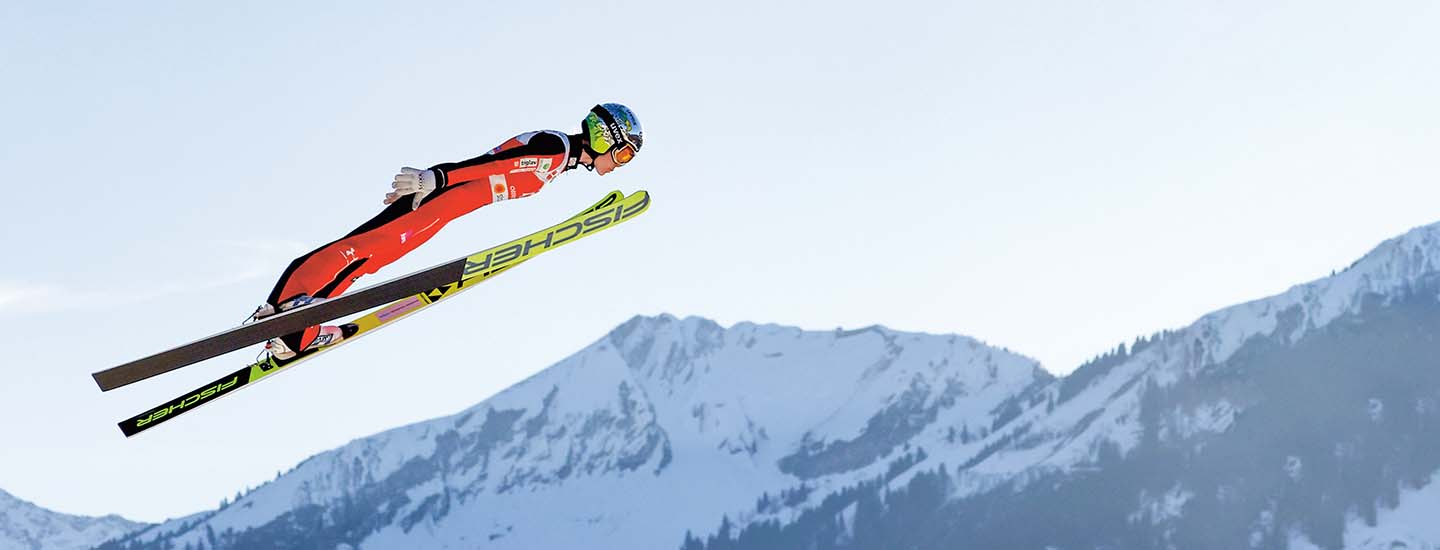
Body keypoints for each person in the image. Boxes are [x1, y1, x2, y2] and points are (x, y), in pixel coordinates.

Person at [251, 103, 644, 360]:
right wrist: (436, 178)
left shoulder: (562, 159)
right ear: (604, 137)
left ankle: (292, 321)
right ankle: (288, 321)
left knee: (368, 260)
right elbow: (488, 165)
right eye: (624, 153)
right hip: (441, 198)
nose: (621, 163)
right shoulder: (554, 150)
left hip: (445, 208)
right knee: (363, 248)